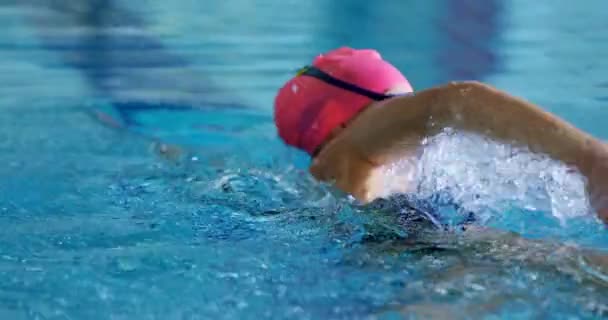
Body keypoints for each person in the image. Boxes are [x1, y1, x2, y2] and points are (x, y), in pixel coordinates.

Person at [273, 47, 608, 224]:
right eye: (394, 108)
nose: (417, 137)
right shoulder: (345, 156)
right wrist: (589, 158)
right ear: (342, 126)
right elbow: (450, 103)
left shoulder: (390, 211)